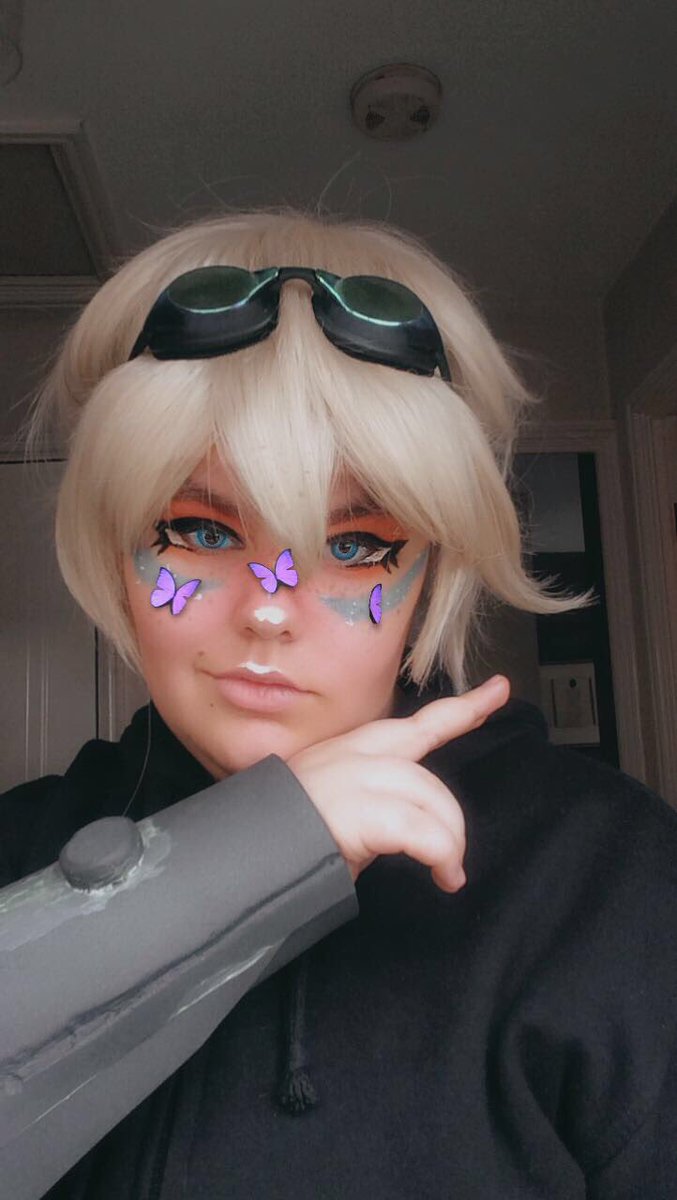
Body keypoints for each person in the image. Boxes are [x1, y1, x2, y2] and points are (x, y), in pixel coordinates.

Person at [2, 206, 676, 1199]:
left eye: (356, 545)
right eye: (201, 530)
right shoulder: (18, 845)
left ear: (433, 569)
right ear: (114, 543)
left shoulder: (605, 874)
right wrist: (262, 849)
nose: (269, 610)